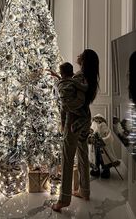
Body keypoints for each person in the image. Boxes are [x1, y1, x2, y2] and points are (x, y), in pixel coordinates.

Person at [51, 49, 100, 212]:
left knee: (67, 158)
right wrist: (61, 80)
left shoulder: (79, 76)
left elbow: (72, 102)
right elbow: (75, 91)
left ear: (84, 60)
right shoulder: (88, 78)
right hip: (86, 120)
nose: (78, 56)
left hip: (74, 122)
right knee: (83, 154)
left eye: (81, 55)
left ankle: (63, 200)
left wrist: (63, 101)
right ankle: (84, 191)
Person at [51, 62, 88, 133]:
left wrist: (56, 75)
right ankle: (75, 126)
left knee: (63, 111)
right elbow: (84, 88)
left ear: (61, 74)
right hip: (73, 104)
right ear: (71, 73)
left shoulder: (59, 83)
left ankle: (62, 126)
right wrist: (86, 82)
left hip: (64, 105)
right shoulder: (74, 81)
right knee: (84, 116)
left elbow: (61, 84)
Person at [89, 114, 120, 179]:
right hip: (95, 146)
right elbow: (90, 132)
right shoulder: (93, 124)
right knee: (96, 158)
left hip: (103, 146)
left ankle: (106, 171)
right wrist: (91, 138)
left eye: (99, 119)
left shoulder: (104, 125)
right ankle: (96, 170)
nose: (98, 120)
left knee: (104, 159)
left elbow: (109, 136)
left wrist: (103, 141)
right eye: (96, 119)